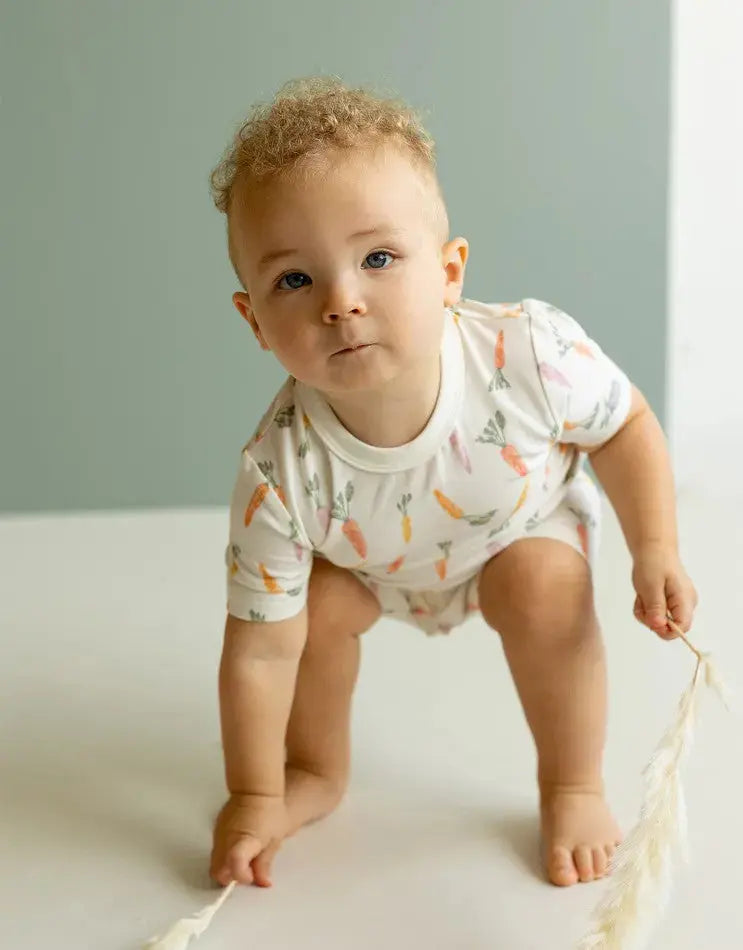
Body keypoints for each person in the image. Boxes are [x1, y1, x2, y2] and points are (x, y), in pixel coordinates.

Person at [207, 76, 698, 892]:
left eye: (378, 258)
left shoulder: (525, 357)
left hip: (515, 532)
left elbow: (624, 426)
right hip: (374, 569)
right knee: (315, 609)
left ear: (449, 271)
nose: (341, 301)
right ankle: (313, 770)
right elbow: (259, 650)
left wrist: (657, 547)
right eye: (294, 280)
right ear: (254, 319)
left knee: (545, 585)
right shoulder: (279, 471)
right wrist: (249, 793)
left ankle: (571, 781)